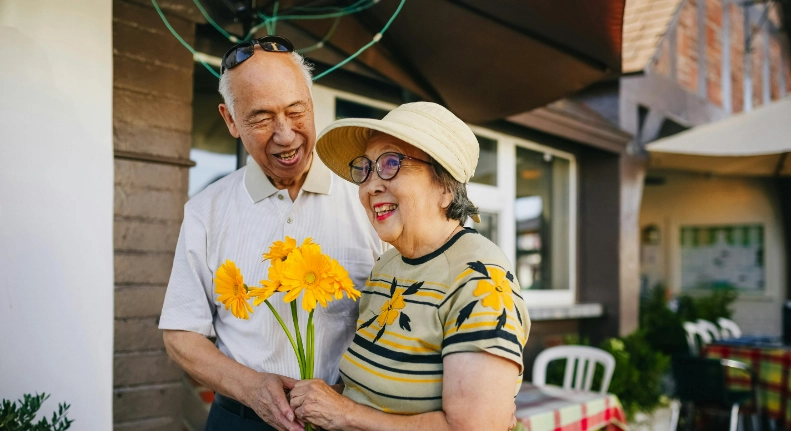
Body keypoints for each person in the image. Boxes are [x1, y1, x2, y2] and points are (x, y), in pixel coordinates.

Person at [158, 36, 384, 431]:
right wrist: (251, 387)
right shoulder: (205, 211)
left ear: (312, 104)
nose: (285, 135)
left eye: (296, 111)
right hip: (241, 420)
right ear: (230, 120)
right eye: (261, 118)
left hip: (354, 420)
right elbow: (181, 334)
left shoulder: (370, 198)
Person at [289, 102, 531, 430]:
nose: (371, 185)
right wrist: (321, 399)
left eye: (391, 163)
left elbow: (475, 428)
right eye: (365, 169)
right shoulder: (387, 266)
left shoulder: (480, 280)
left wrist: (343, 414)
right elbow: (375, 395)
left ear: (445, 187)